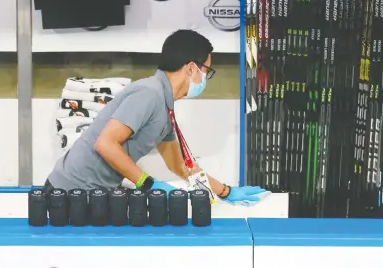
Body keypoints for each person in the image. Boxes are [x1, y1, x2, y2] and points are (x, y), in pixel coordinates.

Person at [45, 29, 268, 206]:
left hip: (92, 194)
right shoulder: (149, 94)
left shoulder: (164, 105)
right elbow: (105, 144)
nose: (205, 79)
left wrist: (225, 191)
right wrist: (148, 184)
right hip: (67, 194)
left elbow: (180, 165)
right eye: (206, 71)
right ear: (191, 68)